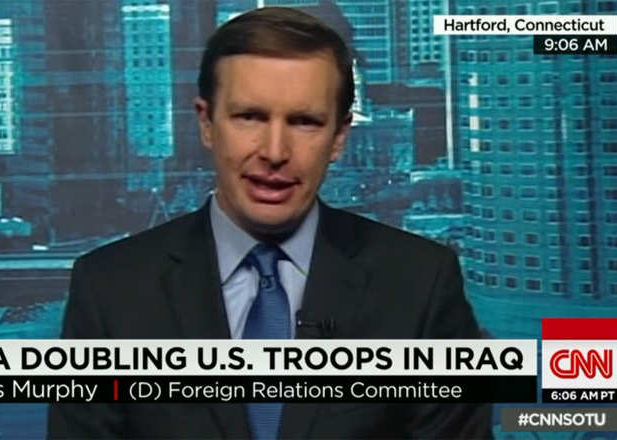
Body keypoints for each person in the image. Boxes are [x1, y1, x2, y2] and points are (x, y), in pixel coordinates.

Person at [48, 7, 491, 439]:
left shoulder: (419, 284)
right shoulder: (110, 290)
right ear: (206, 123)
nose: (275, 152)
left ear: (338, 137)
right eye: (250, 117)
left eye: (304, 122)